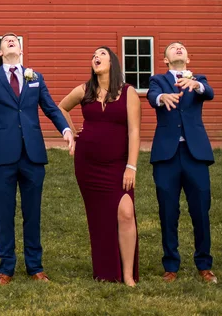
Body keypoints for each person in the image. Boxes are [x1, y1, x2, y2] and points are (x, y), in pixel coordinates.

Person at [0, 33, 74, 284]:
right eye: (5, 40)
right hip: (3, 156)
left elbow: (50, 107)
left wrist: (66, 129)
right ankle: (6, 267)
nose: (10, 41)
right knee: (4, 213)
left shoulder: (35, 77)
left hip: (32, 155)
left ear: (21, 49)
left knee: (33, 212)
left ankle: (35, 266)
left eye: (14, 40)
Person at [58, 46, 140, 285]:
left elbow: (134, 132)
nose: (96, 57)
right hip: (88, 165)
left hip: (118, 165)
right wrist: (72, 133)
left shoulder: (128, 92)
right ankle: (105, 270)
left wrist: (131, 166)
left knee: (126, 212)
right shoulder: (85, 90)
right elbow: (60, 107)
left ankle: (127, 275)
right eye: (93, 55)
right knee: (99, 217)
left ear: (112, 62)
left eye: (102, 54)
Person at [147, 42, 218, 283]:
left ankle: (204, 265)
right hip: (166, 155)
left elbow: (209, 92)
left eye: (182, 47)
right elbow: (152, 96)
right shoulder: (157, 80)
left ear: (188, 57)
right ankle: (170, 266)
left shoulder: (199, 80)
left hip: (195, 154)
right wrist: (162, 97)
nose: (178, 48)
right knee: (168, 211)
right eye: (173, 47)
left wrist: (196, 84)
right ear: (165, 59)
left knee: (200, 210)